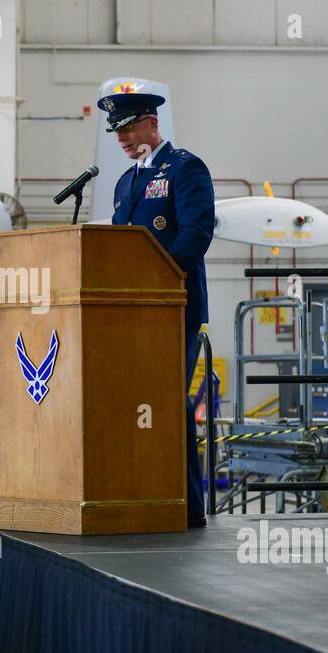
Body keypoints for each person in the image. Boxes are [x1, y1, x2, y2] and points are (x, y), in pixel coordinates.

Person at [98, 91, 216, 528]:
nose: (123, 138)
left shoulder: (185, 168)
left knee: (167, 400)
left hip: (171, 307)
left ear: (151, 122)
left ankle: (186, 502)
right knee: (133, 400)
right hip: (128, 312)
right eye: (117, 132)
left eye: (129, 128)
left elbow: (197, 233)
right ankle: (141, 491)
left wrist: (156, 281)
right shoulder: (125, 182)